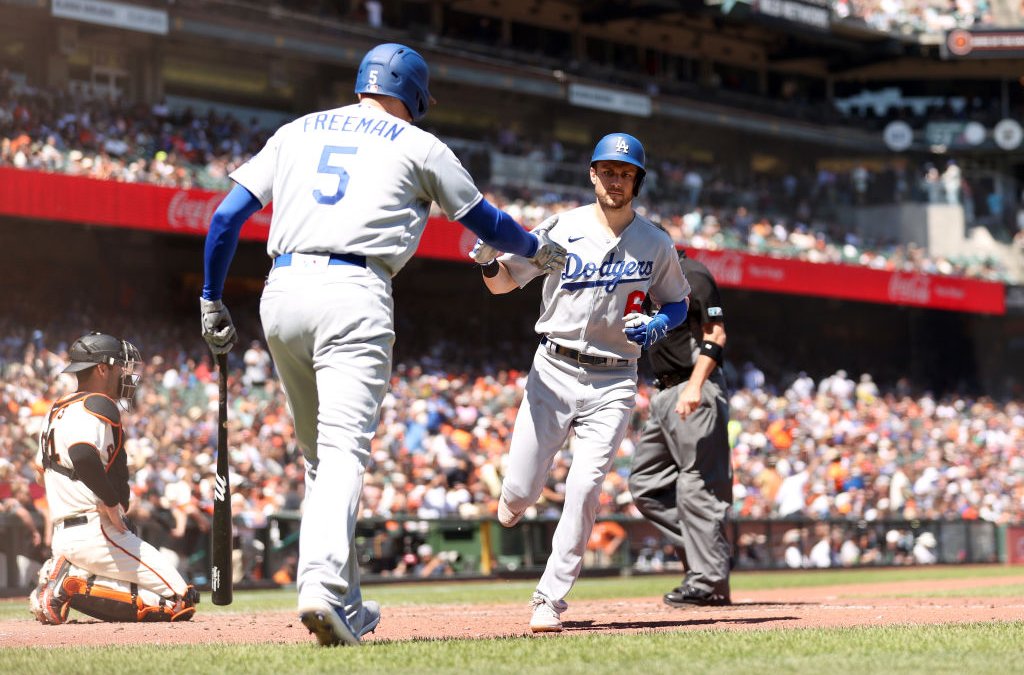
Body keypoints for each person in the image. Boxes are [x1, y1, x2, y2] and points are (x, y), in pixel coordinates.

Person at [198, 43, 565, 647]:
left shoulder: (296, 130)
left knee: (319, 456)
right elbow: (487, 224)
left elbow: (223, 219)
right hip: (353, 289)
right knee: (344, 450)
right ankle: (318, 585)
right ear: (416, 94)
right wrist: (534, 250)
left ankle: (346, 601)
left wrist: (211, 298)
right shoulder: (419, 144)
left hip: (281, 290)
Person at [470, 132, 691, 633]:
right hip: (552, 368)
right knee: (522, 492)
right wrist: (487, 262)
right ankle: (514, 499)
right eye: (608, 171)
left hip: (615, 377)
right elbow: (506, 282)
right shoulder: (561, 229)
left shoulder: (655, 242)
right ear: (593, 174)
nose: (616, 179)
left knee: (586, 486)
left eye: (626, 173)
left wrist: (659, 323)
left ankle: (549, 599)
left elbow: (678, 301)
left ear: (637, 180)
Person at [29, 332, 198, 624]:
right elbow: (82, 456)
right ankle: (68, 581)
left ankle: (66, 577)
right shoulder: (98, 403)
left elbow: (39, 468)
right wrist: (109, 504)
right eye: (120, 366)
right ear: (102, 369)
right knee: (180, 599)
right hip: (96, 529)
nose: (126, 373)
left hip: (64, 534)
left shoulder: (56, 408)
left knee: (145, 592)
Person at [627, 248, 733, 607]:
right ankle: (709, 558)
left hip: (694, 385)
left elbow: (715, 334)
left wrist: (695, 386)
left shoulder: (690, 273)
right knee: (645, 484)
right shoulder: (646, 285)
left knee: (696, 485)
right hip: (664, 392)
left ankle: (708, 581)